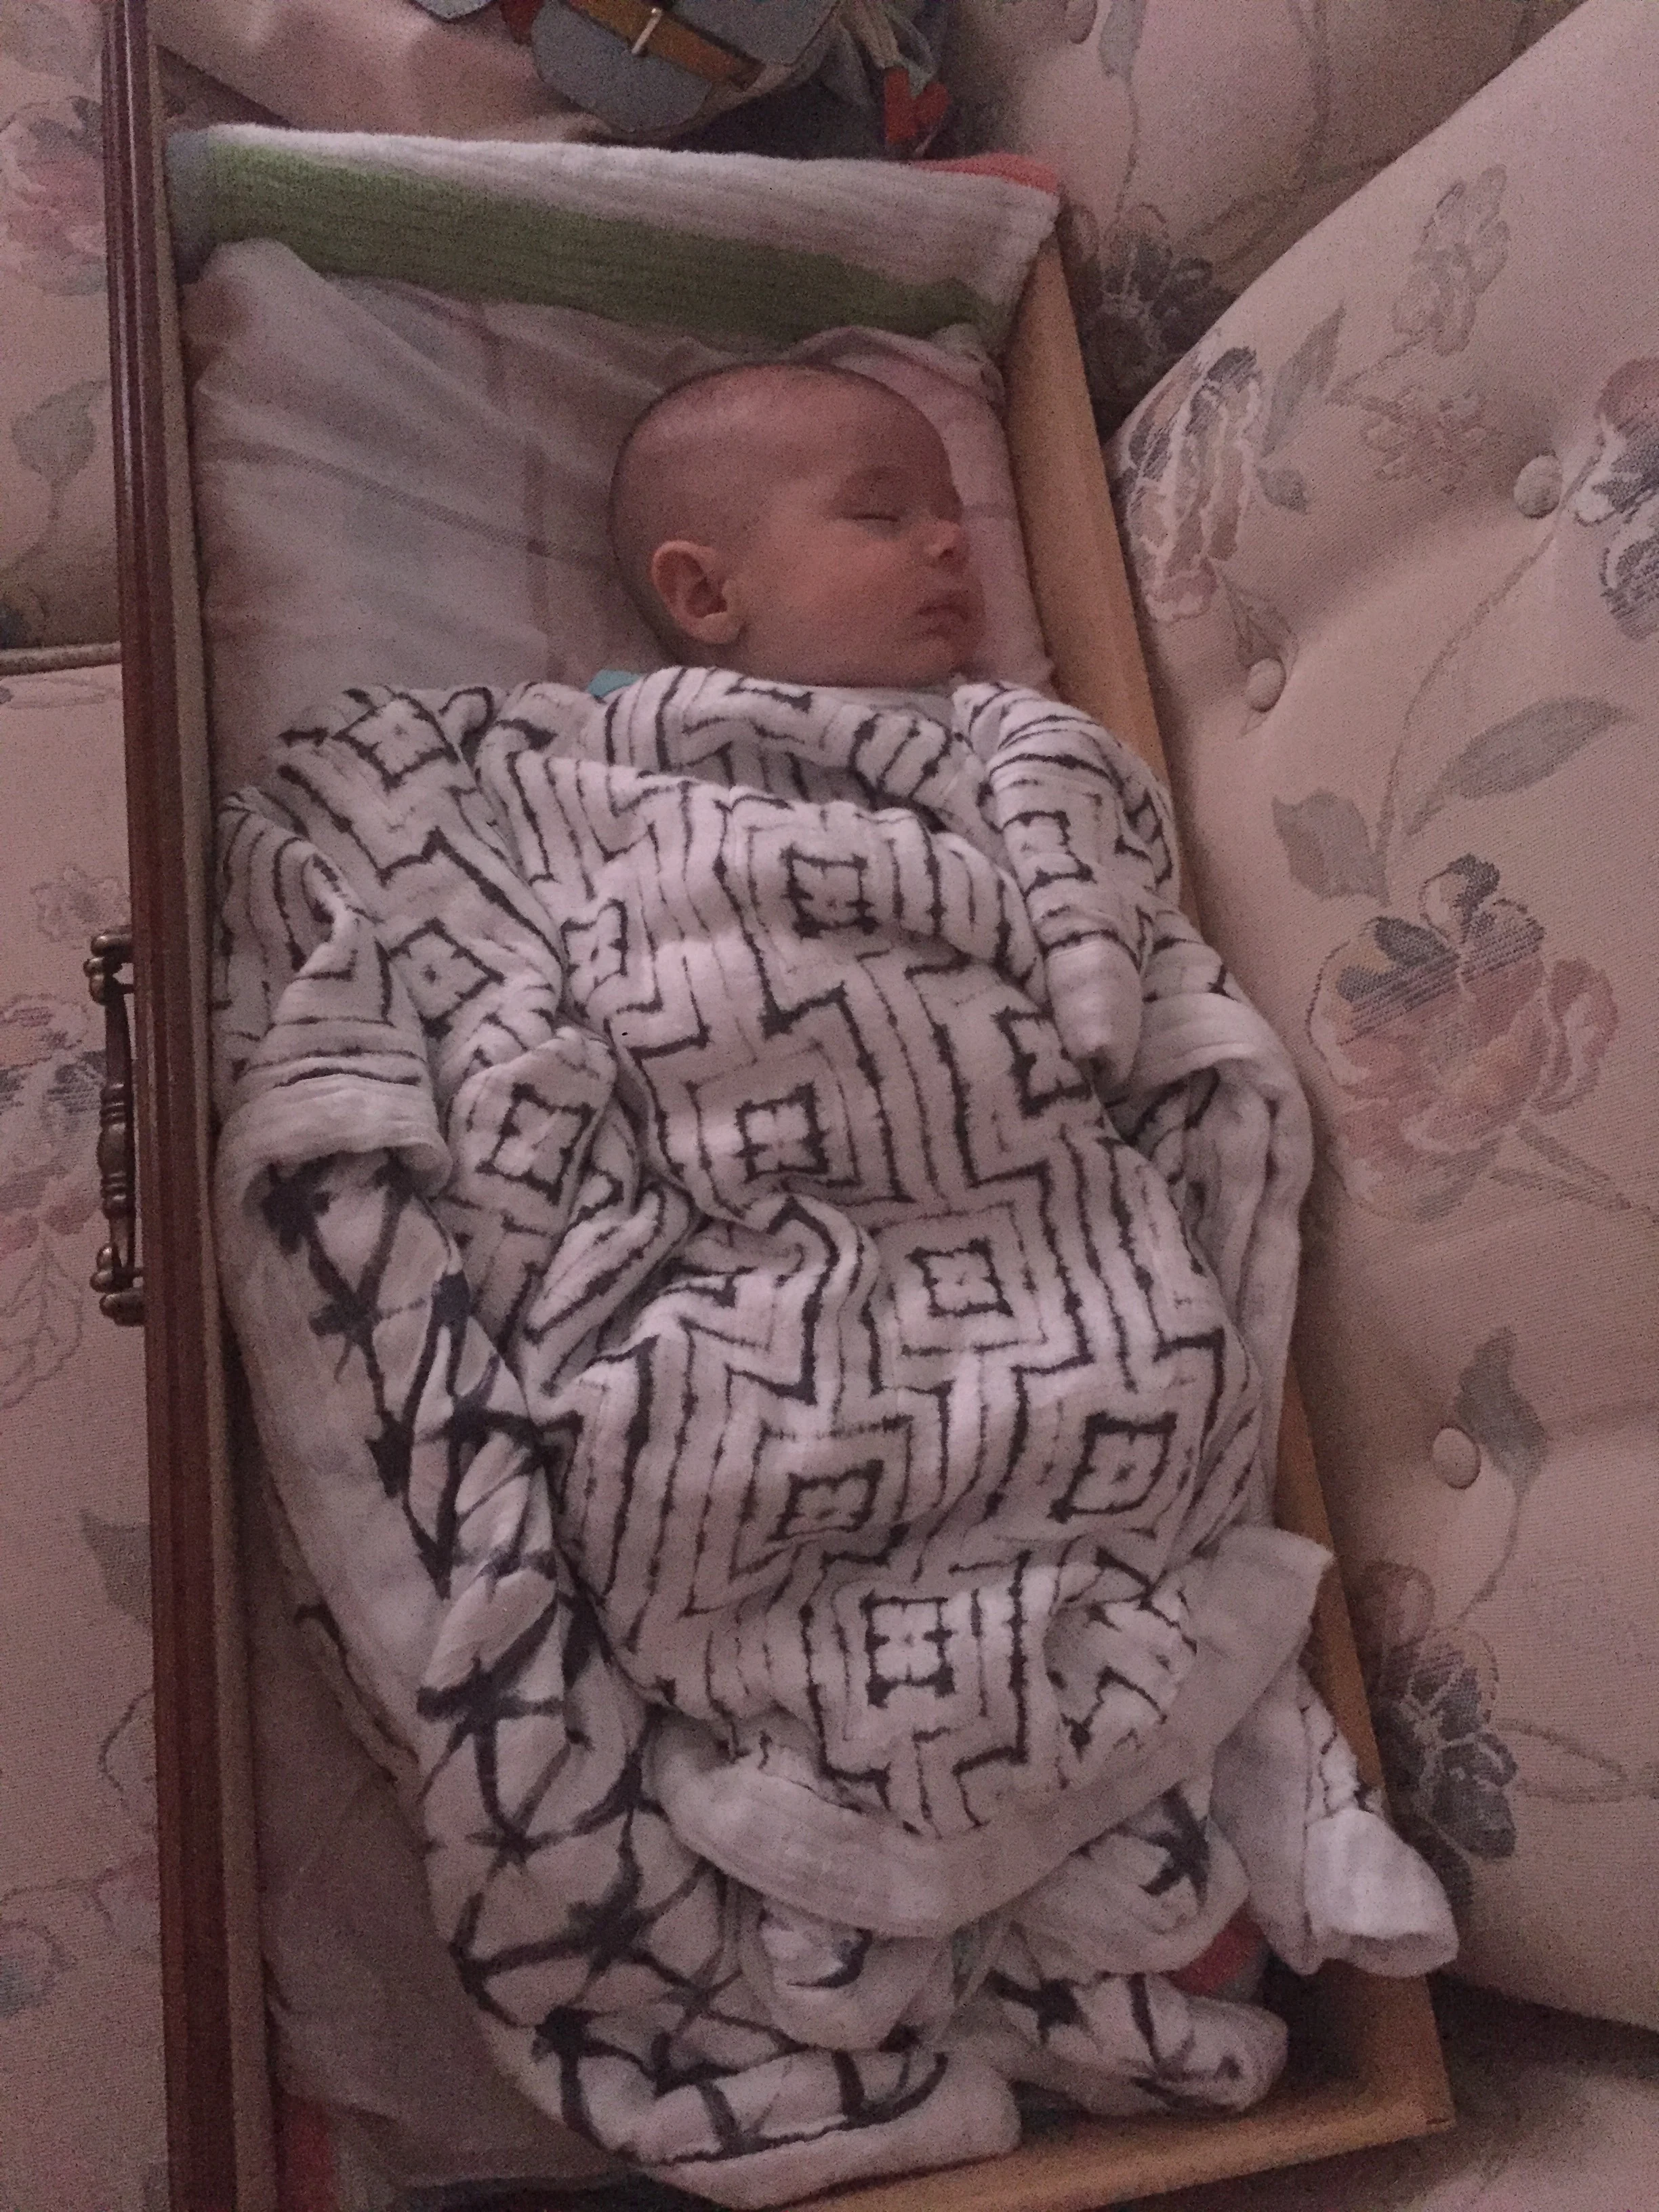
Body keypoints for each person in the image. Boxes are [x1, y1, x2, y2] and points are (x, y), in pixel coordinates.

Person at [606, 360, 987, 691]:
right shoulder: (621, 723)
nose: (955, 539)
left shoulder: (995, 723)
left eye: (951, 516)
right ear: (710, 595)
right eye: (880, 515)